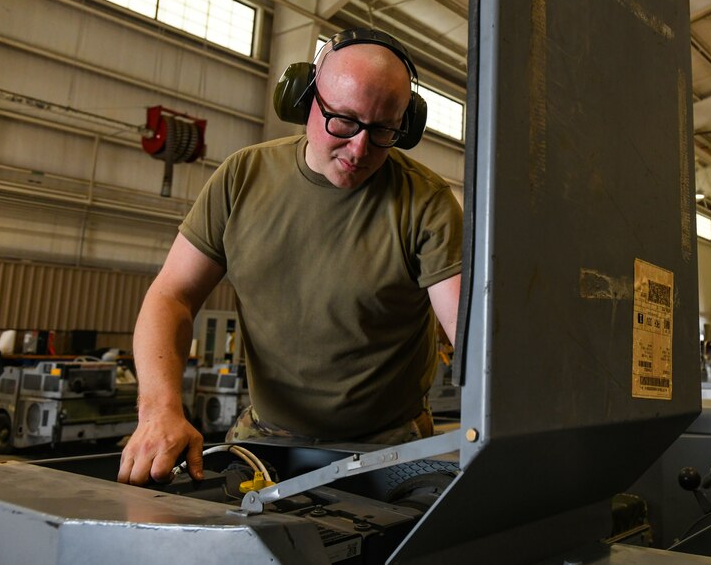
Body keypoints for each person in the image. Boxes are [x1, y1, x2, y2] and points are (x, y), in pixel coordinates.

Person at [118, 29, 462, 485]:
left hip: (388, 444)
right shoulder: (241, 179)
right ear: (303, 100)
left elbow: (471, 337)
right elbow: (171, 296)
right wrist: (159, 410)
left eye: (383, 130)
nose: (359, 149)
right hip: (267, 434)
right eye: (343, 120)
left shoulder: (427, 203)